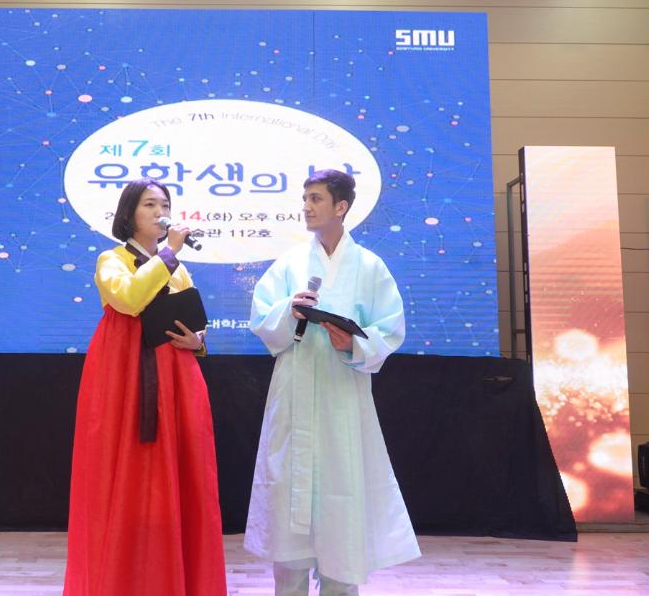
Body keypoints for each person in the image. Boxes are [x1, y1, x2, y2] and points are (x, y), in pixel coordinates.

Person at [246, 169, 420, 595]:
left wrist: (353, 343)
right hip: (294, 389)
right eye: (305, 198)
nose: (306, 207)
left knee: (343, 500)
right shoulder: (289, 264)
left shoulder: (370, 267)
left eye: (316, 198)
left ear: (341, 207)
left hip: (343, 393)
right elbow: (262, 319)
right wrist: (289, 310)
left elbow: (389, 329)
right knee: (288, 499)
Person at [63, 178, 227, 596]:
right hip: (124, 377)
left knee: (182, 473)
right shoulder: (112, 260)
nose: (160, 212)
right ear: (129, 213)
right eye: (150, 204)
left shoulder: (178, 267)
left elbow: (192, 318)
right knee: (124, 469)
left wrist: (198, 341)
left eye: (165, 205)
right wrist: (169, 254)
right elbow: (130, 299)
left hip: (177, 377)